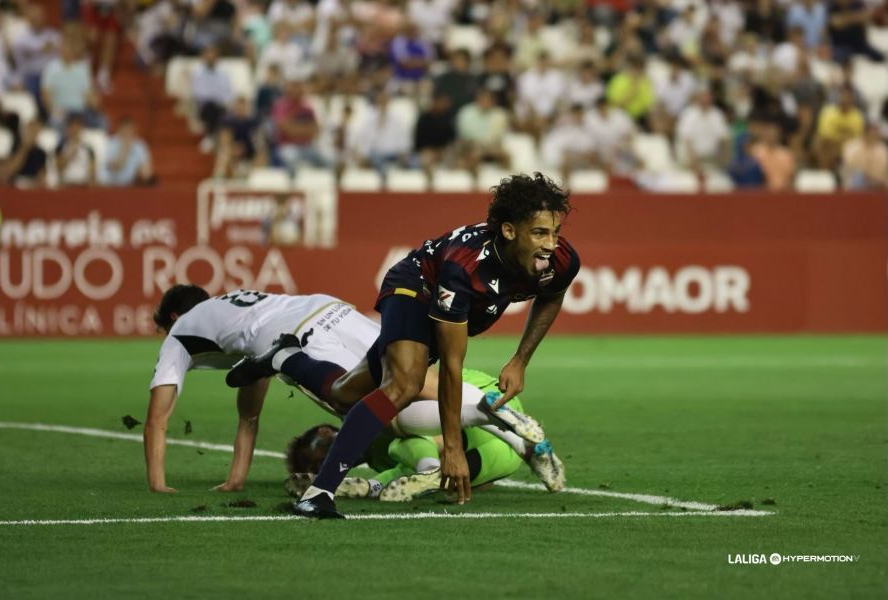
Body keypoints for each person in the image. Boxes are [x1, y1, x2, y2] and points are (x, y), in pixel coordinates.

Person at [227, 173, 579, 518]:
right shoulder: (465, 268)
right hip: (416, 287)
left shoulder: (560, 259)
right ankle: (319, 494)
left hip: (450, 310)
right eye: (539, 233)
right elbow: (452, 365)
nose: (551, 244)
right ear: (509, 230)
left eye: (555, 232)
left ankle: (283, 356)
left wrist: (520, 360)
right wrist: (452, 448)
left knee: (344, 395)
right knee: (405, 384)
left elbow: (553, 294)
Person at [145, 286, 546, 493]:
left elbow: (156, 419)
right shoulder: (238, 309)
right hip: (331, 309)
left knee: (372, 409)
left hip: (299, 336)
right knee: (410, 384)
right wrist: (236, 479)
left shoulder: (181, 331)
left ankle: (439, 450)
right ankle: (503, 420)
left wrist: (157, 484)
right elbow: (249, 411)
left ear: (174, 316)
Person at [285, 368, 566, 503]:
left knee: (399, 433)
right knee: (405, 450)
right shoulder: (375, 457)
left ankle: (433, 465)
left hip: (470, 396)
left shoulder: (361, 410)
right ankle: (524, 446)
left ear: (324, 432)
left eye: (321, 462)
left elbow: (416, 385)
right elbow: (403, 472)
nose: (329, 466)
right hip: (498, 454)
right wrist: (372, 485)